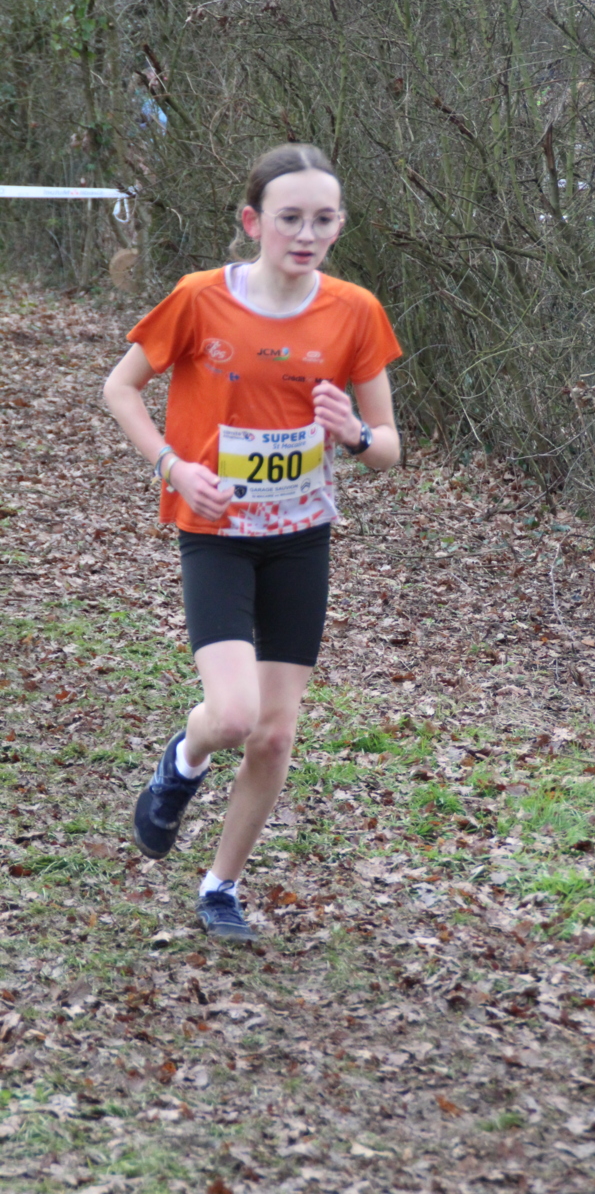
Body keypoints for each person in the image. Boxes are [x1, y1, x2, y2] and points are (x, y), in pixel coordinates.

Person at [103, 143, 401, 942]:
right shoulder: (200, 298)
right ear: (252, 221)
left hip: (301, 539)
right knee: (233, 716)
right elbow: (120, 388)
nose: (306, 234)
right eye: (289, 218)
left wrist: (354, 433)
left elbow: (387, 448)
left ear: (340, 225)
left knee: (274, 732)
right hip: (218, 536)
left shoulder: (355, 311)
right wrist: (172, 466)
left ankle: (220, 888)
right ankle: (183, 761)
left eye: (323, 219)